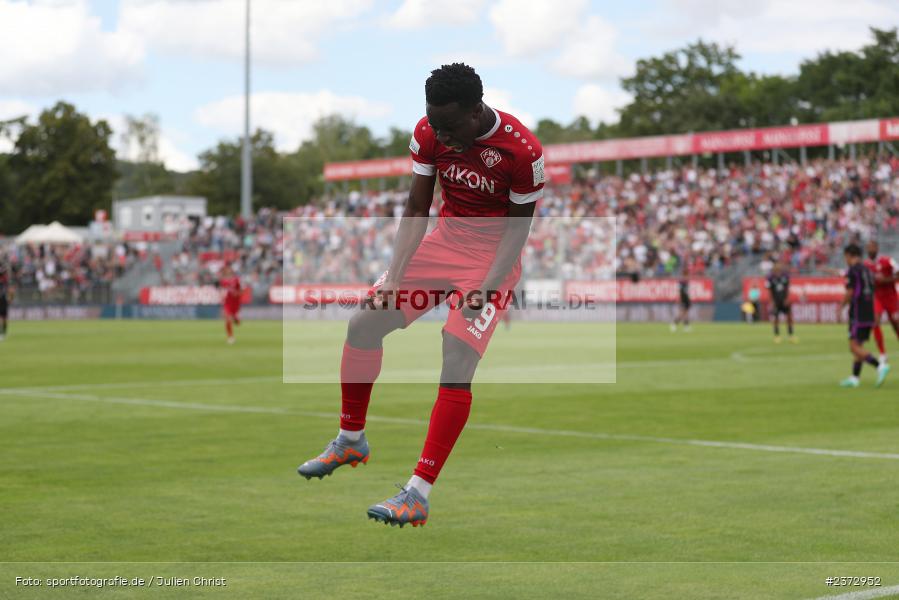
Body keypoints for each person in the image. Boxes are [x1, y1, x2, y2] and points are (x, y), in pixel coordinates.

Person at [297, 63, 545, 528]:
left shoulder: (522, 150)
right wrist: (394, 275)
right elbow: (416, 206)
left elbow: (518, 228)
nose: (440, 134)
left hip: (490, 261)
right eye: (434, 122)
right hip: (444, 244)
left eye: (449, 126)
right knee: (364, 323)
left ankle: (418, 492)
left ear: (475, 113)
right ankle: (350, 440)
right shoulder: (429, 132)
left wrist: (487, 289)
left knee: (455, 357)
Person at [840, 244, 890, 388]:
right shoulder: (867, 270)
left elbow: (850, 292)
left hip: (857, 311)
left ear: (849, 255)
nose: (846, 260)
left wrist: (841, 307)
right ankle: (855, 378)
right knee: (859, 344)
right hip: (868, 310)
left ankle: (879, 365)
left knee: (853, 346)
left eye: (846, 257)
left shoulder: (853, 271)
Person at [863, 240, 899, 365]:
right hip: (877, 297)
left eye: (872, 247)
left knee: (896, 324)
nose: (870, 250)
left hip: (891, 298)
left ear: (877, 248)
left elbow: (898, 274)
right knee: (875, 321)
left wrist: (886, 280)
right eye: (868, 247)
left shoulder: (887, 261)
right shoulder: (866, 265)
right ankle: (883, 354)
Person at [766, 262, 797, 343]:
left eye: (779, 267)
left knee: (789, 318)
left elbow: (787, 288)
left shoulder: (785, 276)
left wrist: (787, 298)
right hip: (776, 301)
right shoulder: (770, 278)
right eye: (777, 267)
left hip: (784, 300)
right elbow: (769, 290)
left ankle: (791, 335)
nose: (778, 269)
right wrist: (772, 301)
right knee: (776, 319)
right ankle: (777, 336)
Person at [218, 264, 242, 344]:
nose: (227, 271)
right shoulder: (223, 281)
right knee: (227, 318)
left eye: (229, 269)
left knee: (236, 320)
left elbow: (241, 291)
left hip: (235, 302)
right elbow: (221, 290)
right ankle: (230, 337)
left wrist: (237, 293)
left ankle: (236, 319)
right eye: (226, 269)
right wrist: (221, 297)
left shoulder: (236, 280)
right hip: (227, 302)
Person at [0, 261, 11, 341]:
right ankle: (3, 332)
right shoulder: (4, 279)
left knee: (3, 317)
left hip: (3, 299)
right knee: (3, 317)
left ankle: (3, 332)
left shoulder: (4, 280)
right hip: (3, 299)